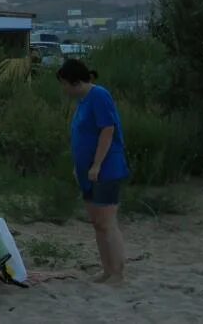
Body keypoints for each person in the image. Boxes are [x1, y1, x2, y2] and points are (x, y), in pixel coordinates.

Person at [57, 58, 129, 285]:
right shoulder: (82, 101)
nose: (63, 88)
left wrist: (97, 164)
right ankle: (107, 270)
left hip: (106, 169)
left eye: (64, 83)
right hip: (87, 171)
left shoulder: (99, 96)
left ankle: (118, 273)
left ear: (75, 81)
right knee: (97, 223)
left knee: (107, 222)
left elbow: (108, 130)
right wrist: (79, 167)